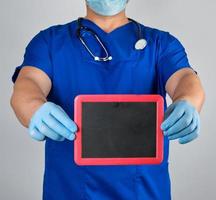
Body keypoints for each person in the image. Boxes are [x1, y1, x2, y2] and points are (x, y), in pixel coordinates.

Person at [10, 0, 205, 199]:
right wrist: (33, 106)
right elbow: (28, 82)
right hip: (69, 190)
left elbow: (184, 78)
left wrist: (188, 101)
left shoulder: (160, 44)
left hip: (144, 191)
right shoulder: (49, 42)